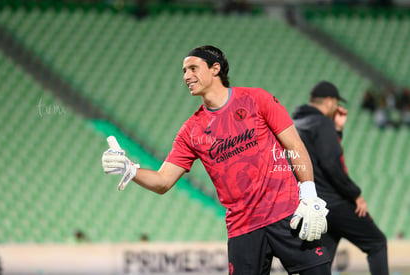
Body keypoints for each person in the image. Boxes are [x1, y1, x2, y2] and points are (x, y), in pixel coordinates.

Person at [102, 45, 331, 275]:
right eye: (183, 71)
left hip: (287, 215)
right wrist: (130, 169)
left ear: (215, 68)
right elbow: (163, 181)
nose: (186, 76)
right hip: (243, 231)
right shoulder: (191, 131)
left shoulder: (257, 99)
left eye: (193, 68)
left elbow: (294, 146)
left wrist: (309, 194)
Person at [292, 81, 389, 275]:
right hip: (334, 203)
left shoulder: (295, 125)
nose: (337, 108)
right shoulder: (322, 123)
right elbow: (330, 164)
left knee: (322, 260)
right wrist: (355, 194)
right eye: (336, 103)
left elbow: (317, 156)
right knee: (377, 243)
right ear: (329, 102)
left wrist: (336, 130)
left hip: (311, 206)